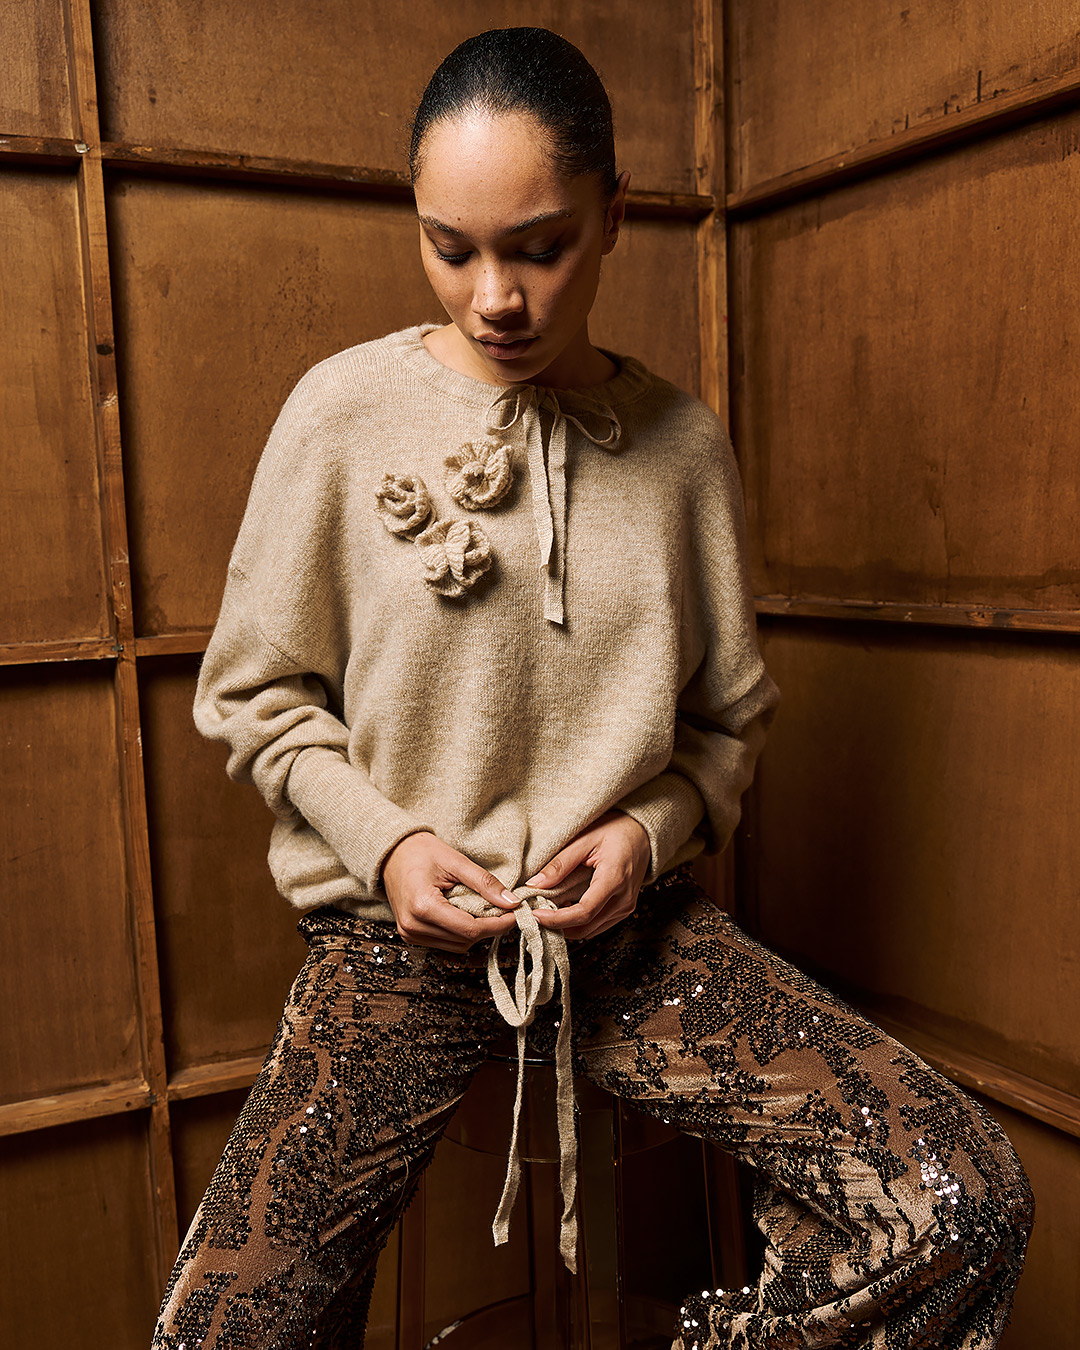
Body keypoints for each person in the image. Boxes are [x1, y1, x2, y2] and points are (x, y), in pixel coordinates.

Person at [151, 27, 1032, 1350]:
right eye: (451, 248)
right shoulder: (339, 414)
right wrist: (388, 846)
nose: (494, 296)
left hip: (632, 943)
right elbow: (256, 692)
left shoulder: (682, 450)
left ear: (615, 217)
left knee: (963, 1198)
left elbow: (725, 725)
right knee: (217, 1336)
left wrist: (646, 835)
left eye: (540, 246)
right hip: (395, 948)